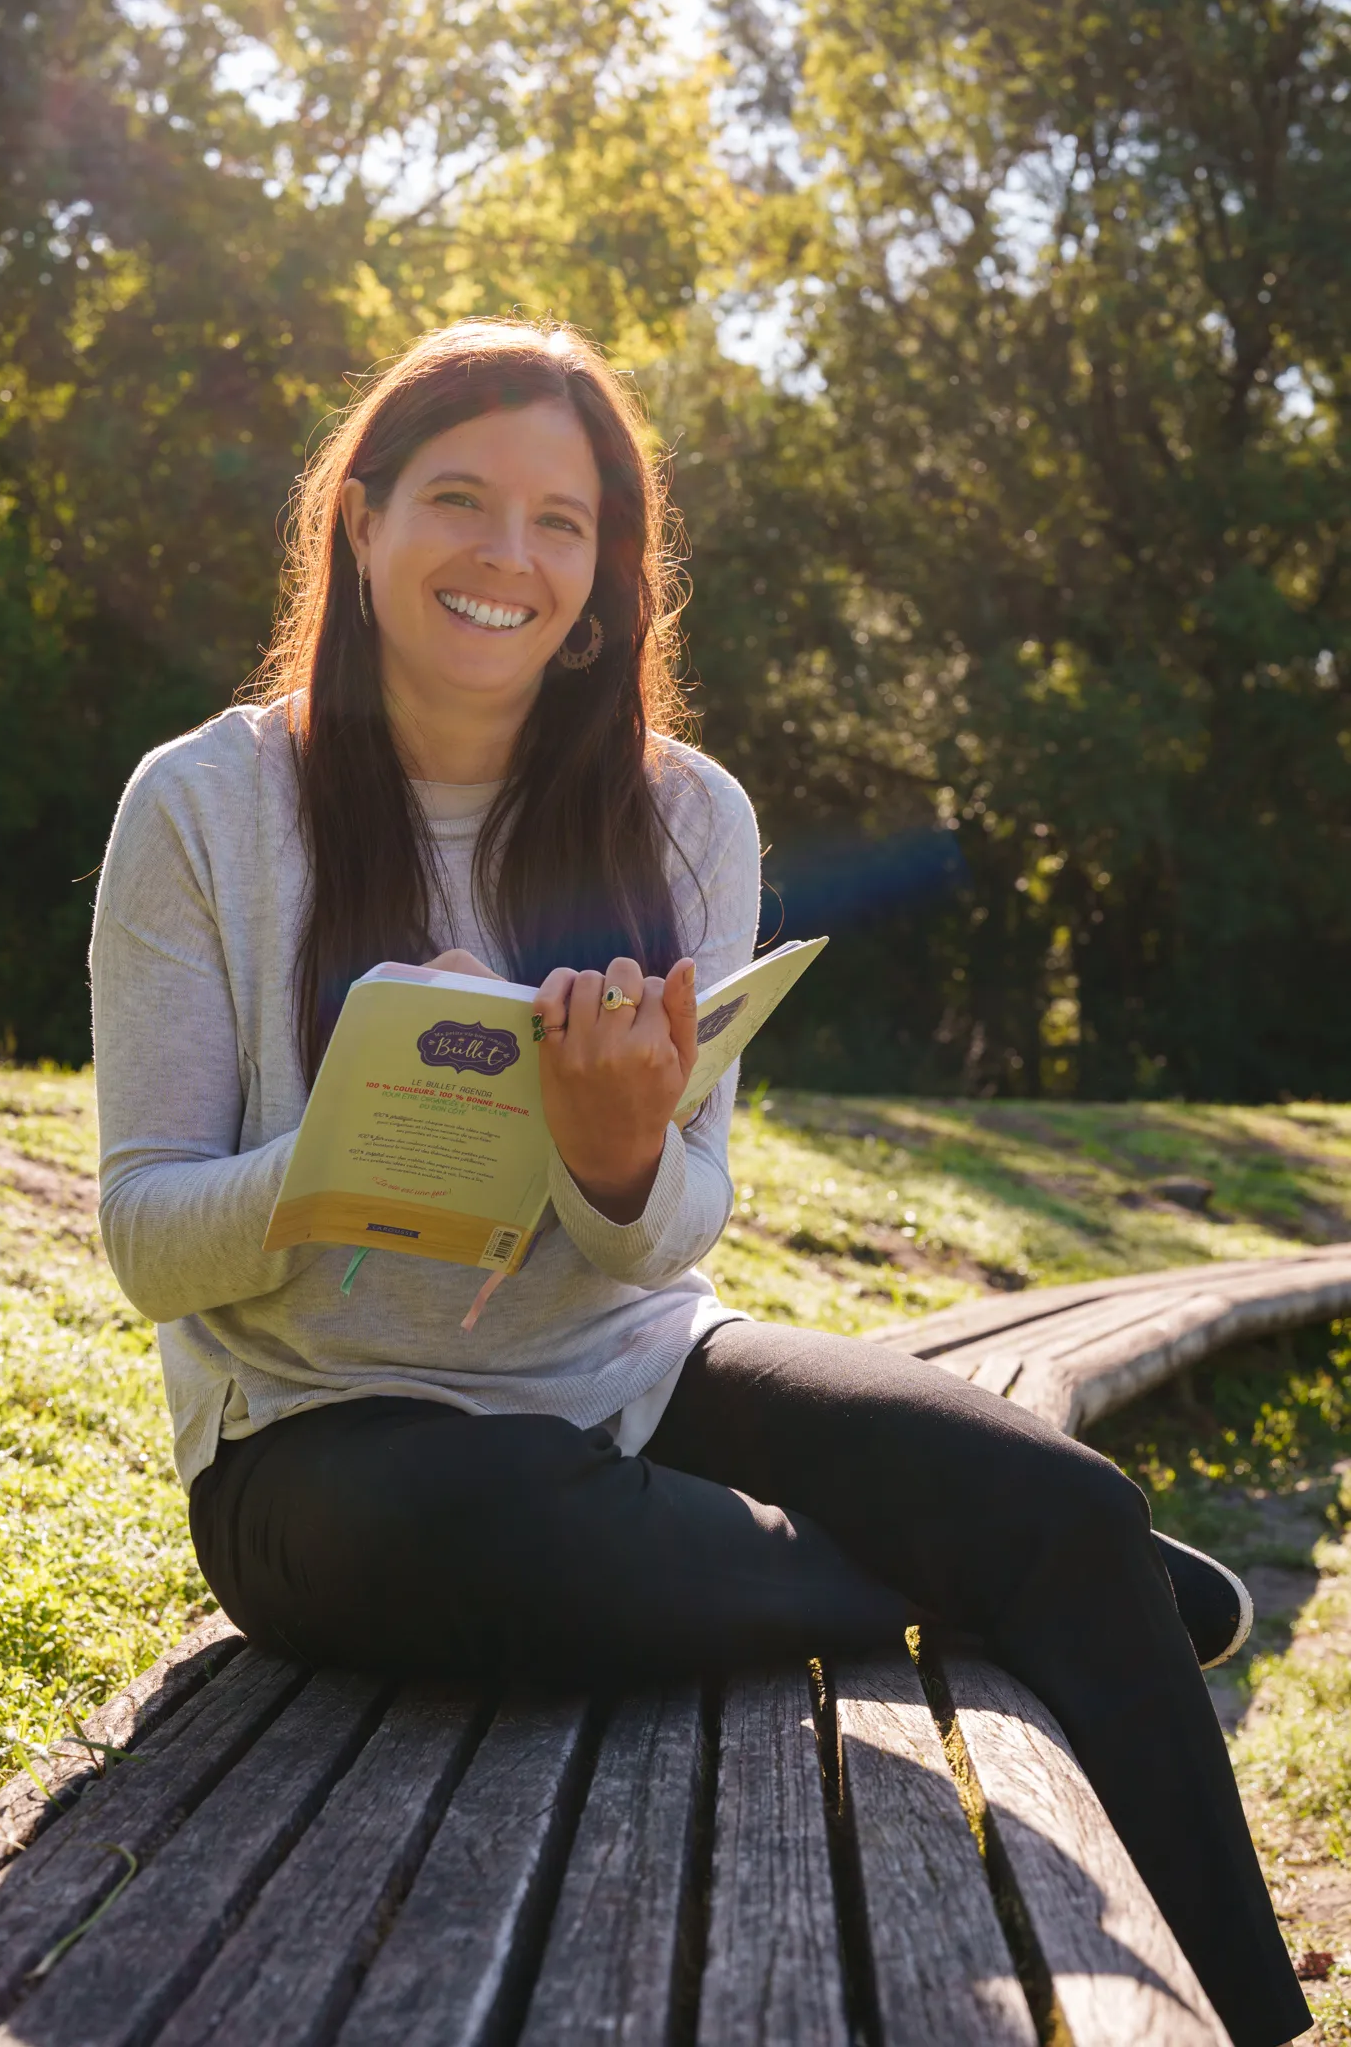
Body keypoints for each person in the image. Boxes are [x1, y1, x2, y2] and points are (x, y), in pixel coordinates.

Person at [90, 317, 1308, 2047]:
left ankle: (1257, 2015)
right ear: (361, 523)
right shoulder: (203, 807)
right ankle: (966, 1577)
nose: (509, 556)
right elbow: (144, 1240)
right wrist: (336, 1162)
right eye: (460, 499)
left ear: (605, 576)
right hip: (322, 1446)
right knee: (487, 1520)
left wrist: (613, 1156)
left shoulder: (685, 818)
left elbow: (677, 1232)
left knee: (1078, 1506)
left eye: (562, 522)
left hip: (635, 1379)